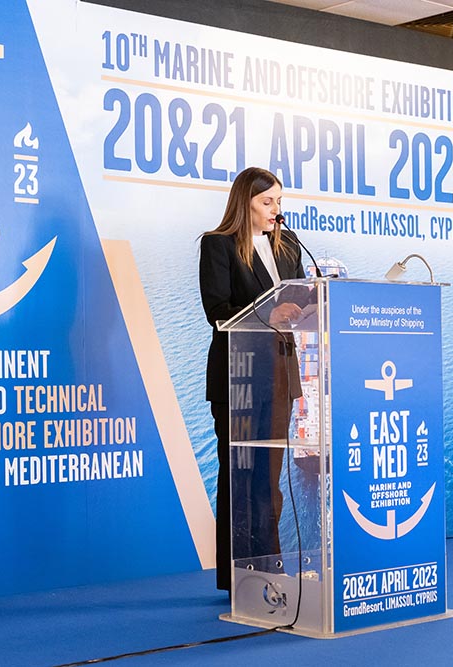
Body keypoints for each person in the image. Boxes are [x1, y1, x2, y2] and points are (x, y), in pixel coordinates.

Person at [199, 167, 305, 592]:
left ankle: (270, 565)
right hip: (238, 376)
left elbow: (301, 297)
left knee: (269, 478)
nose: (276, 209)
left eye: (278, 201)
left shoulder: (289, 244)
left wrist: (304, 307)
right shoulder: (218, 245)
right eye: (267, 202)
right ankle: (237, 574)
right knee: (239, 477)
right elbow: (218, 312)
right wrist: (269, 313)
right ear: (245, 204)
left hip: (280, 373)